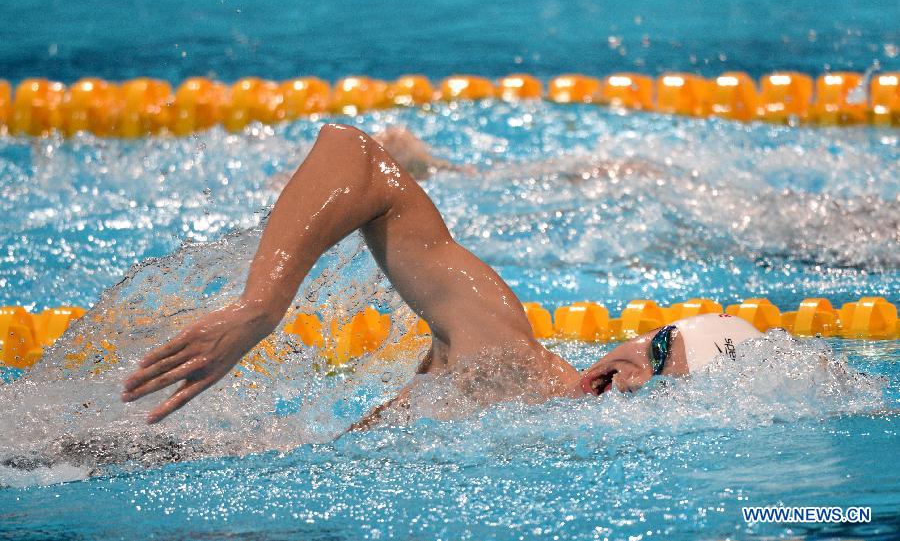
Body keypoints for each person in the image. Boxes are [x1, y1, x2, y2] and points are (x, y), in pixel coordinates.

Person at [121, 124, 762, 426]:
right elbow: (359, 157)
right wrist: (262, 306)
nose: (633, 375)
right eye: (654, 347)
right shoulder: (507, 358)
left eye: (664, 384)